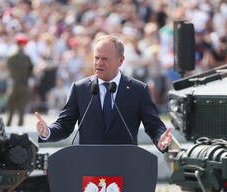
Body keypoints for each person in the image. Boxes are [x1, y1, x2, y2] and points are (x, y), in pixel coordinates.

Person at [35, 35, 171, 152]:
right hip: (90, 168)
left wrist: (160, 138)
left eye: (105, 59)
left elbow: (154, 125)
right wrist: (48, 131)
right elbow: (64, 125)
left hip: (124, 167)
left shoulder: (138, 90)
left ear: (121, 61)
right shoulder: (80, 88)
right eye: (96, 58)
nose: (99, 63)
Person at [6, 34, 33, 126]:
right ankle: (20, 126)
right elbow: (30, 71)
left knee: (11, 105)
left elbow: (8, 69)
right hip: (23, 83)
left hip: (13, 83)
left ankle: (8, 124)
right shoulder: (27, 57)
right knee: (21, 105)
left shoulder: (10, 56)